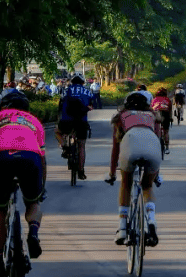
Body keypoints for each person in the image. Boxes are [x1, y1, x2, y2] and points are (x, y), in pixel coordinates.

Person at [0, 87, 46, 277]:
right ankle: (33, 233)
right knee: (33, 203)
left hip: (1, 160)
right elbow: (42, 161)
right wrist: (41, 188)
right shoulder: (34, 122)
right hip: (30, 159)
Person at [108, 90, 164, 246]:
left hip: (130, 143)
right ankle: (151, 223)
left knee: (126, 184)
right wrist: (156, 173)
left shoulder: (122, 117)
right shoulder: (153, 116)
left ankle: (122, 229)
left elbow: (116, 149)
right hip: (152, 146)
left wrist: (112, 173)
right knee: (147, 186)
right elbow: (158, 143)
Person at [55, 72, 95, 179]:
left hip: (66, 121)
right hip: (81, 121)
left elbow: (60, 105)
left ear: (71, 81)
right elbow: (91, 105)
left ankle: (64, 146)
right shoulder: (87, 91)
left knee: (58, 131)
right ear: (83, 82)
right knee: (81, 145)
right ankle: (81, 171)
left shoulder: (66, 90)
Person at [150, 86, 172, 153]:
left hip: (156, 115)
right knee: (166, 131)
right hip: (165, 115)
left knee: (153, 131)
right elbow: (170, 111)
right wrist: (170, 118)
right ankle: (167, 147)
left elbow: (151, 110)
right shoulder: (168, 100)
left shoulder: (154, 100)